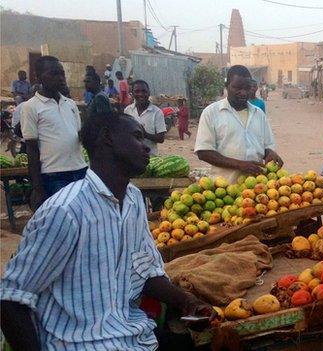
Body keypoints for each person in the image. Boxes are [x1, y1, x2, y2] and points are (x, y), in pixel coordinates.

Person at [0, 111, 217, 350]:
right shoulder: (66, 211)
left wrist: (188, 302)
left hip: (133, 338)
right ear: (107, 137)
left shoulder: (133, 199)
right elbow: (11, 298)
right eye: (137, 136)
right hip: (79, 344)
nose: (146, 147)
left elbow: (144, 271)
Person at [20, 56, 88, 209]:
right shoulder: (31, 107)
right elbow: (31, 148)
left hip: (80, 171)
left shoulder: (70, 104)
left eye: (61, 73)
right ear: (38, 77)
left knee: (83, 218)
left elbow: (78, 136)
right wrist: (37, 188)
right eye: (53, 74)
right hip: (54, 175)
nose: (60, 78)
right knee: (64, 220)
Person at [195, 65, 282, 183]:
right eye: (238, 88)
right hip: (224, 189)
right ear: (227, 87)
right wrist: (239, 164)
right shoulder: (211, 113)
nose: (243, 93)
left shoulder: (259, 114)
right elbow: (203, 152)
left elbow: (267, 146)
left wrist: (270, 154)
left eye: (247, 88)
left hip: (256, 188)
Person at [124, 80, 166, 155]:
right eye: (137, 91)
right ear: (132, 94)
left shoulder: (157, 112)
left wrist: (145, 134)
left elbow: (161, 138)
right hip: (131, 156)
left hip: (150, 158)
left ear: (149, 93)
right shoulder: (128, 110)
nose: (141, 94)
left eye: (144, 91)